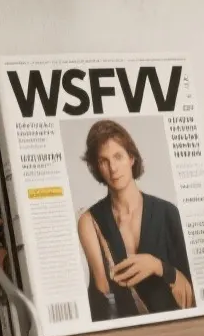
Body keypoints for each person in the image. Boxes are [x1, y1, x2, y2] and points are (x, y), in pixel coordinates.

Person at [76, 119, 194, 321]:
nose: (113, 168)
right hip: (122, 335)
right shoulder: (90, 220)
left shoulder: (167, 213)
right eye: (104, 161)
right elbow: (102, 291)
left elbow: (191, 290)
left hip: (173, 327)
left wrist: (157, 266)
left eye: (118, 156)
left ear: (131, 158)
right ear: (97, 167)